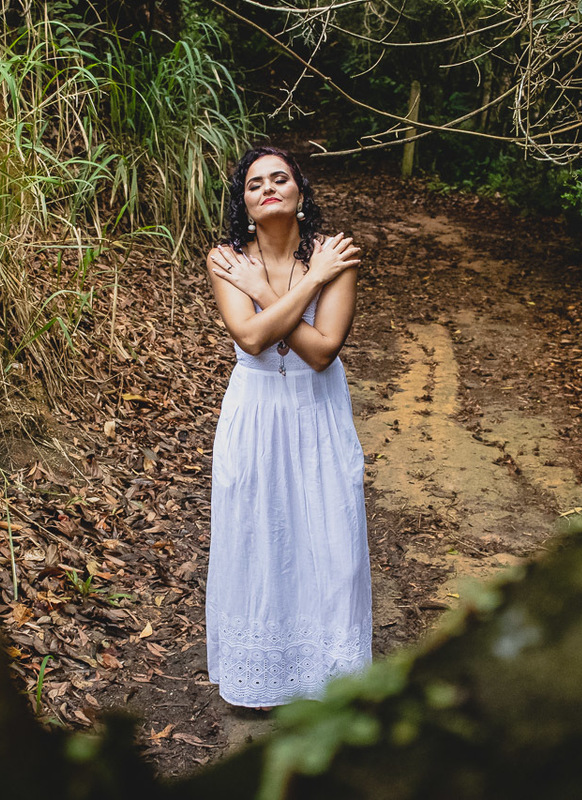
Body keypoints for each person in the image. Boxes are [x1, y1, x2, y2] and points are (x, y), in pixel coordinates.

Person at [204, 145, 372, 709]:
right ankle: (262, 678)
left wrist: (266, 292)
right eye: (255, 184)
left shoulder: (334, 256)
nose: (268, 188)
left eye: (280, 178)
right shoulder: (226, 260)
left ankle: (331, 676)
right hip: (254, 412)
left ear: (300, 192)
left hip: (318, 409)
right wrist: (301, 285)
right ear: (244, 203)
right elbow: (251, 339)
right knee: (258, 536)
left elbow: (322, 352)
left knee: (331, 538)